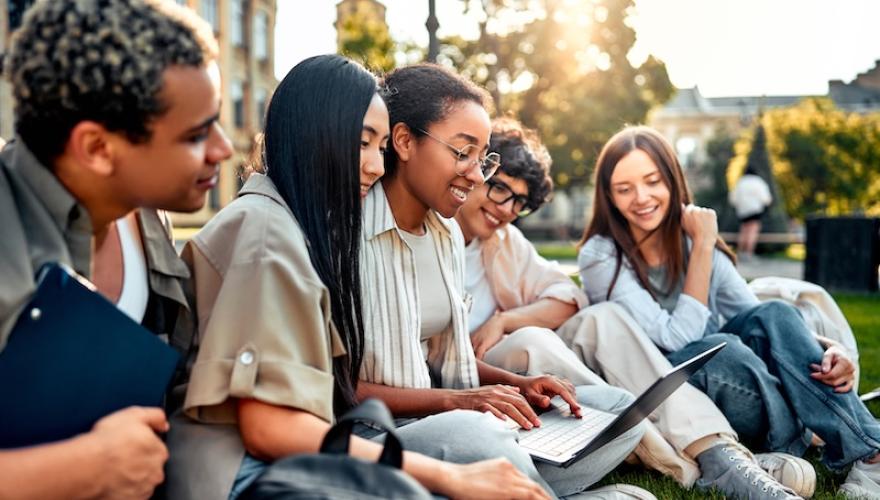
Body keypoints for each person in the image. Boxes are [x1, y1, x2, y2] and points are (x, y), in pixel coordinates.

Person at [165, 54, 549, 500]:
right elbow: (270, 430)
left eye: (380, 147)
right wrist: (449, 475)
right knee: (456, 457)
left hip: (296, 459)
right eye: (363, 143)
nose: (377, 165)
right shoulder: (265, 235)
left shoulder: (296, 226)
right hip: (246, 478)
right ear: (314, 135)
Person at [456, 117, 817, 497]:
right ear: (475, 170)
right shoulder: (429, 236)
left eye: (519, 201)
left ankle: (720, 453)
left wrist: (505, 319)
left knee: (601, 318)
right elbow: (432, 356)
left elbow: (567, 298)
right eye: (498, 189)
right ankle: (705, 461)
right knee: (536, 340)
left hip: (521, 371)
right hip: (468, 376)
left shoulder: (504, 241)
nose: (505, 208)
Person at [358, 63, 648, 499]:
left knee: (623, 411)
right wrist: (460, 403)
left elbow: (444, 360)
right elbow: (337, 385)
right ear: (403, 141)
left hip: (454, 424)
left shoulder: (445, 235)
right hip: (384, 436)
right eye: (462, 153)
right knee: (479, 435)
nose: (476, 175)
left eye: (482, 158)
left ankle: (503, 485)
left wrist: (518, 386)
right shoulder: (350, 234)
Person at [0, 0, 231, 498]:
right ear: (98, 149)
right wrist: (85, 467)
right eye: (196, 134)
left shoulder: (147, 212)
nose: (223, 148)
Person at [579, 125, 880, 499]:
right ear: (608, 196)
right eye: (624, 189)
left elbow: (764, 322)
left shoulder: (691, 240)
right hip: (677, 391)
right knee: (720, 345)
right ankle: (803, 432)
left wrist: (827, 347)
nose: (641, 198)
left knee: (773, 312)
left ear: (672, 180)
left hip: (743, 382)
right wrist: (703, 245)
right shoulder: (600, 254)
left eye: (652, 181)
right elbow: (680, 340)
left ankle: (870, 453)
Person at [729, 165, 772, 260]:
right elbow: (766, 199)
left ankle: (740, 252)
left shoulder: (740, 182)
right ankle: (748, 253)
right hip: (755, 210)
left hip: (742, 211)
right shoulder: (758, 181)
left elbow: (733, 199)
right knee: (752, 232)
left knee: (743, 231)